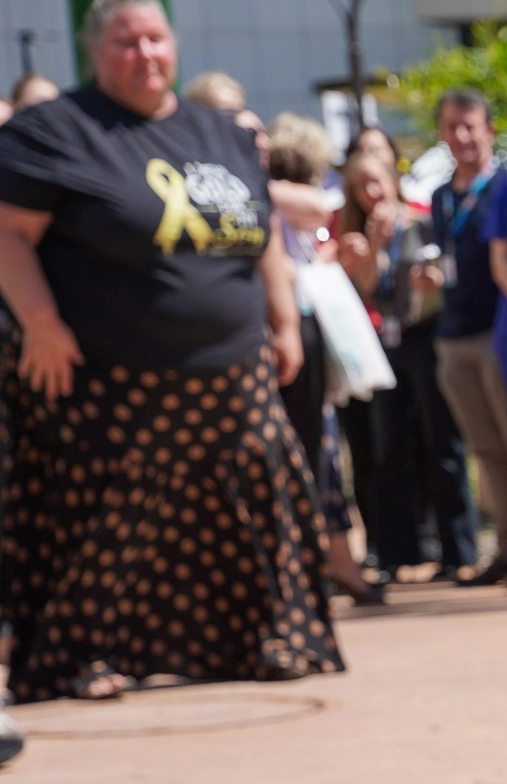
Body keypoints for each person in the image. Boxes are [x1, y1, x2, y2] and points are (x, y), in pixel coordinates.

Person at [0, 0, 339, 701]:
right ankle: (85, 656)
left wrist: (282, 320)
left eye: (155, 38)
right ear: (96, 51)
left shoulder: (220, 130)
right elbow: (8, 233)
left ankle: (265, 638)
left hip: (232, 370)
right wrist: (38, 320)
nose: (145, 53)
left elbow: (262, 228)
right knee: (103, 518)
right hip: (107, 378)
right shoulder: (56, 132)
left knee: (252, 503)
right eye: (127, 41)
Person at [338, 143, 475, 581]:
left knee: (440, 442)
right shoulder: (359, 231)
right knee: (388, 445)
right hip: (387, 341)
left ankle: (458, 550)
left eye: (376, 181)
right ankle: (399, 551)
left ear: (392, 179)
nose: (371, 193)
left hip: (427, 335)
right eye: (361, 187)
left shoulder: (423, 217)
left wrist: (430, 282)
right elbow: (364, 288)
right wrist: (375, 244)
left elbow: (442, 274)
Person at [266, 113, 380, 608]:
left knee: (325, 458)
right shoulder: (272, 196)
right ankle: (321, 568)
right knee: (310, 459)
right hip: (283, 340)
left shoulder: (280, 203)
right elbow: (317, 206)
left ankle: (335, 564)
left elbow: (316, 217)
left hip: (309, 338)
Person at [429, 90, 507, 587]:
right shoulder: (441, 196)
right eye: (452, 127)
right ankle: (505, 548)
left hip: (498, 331)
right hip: (453, 335)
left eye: (471, 126)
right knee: (484, 450)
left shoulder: (506, 185)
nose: (462, 137)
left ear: (490, 130)